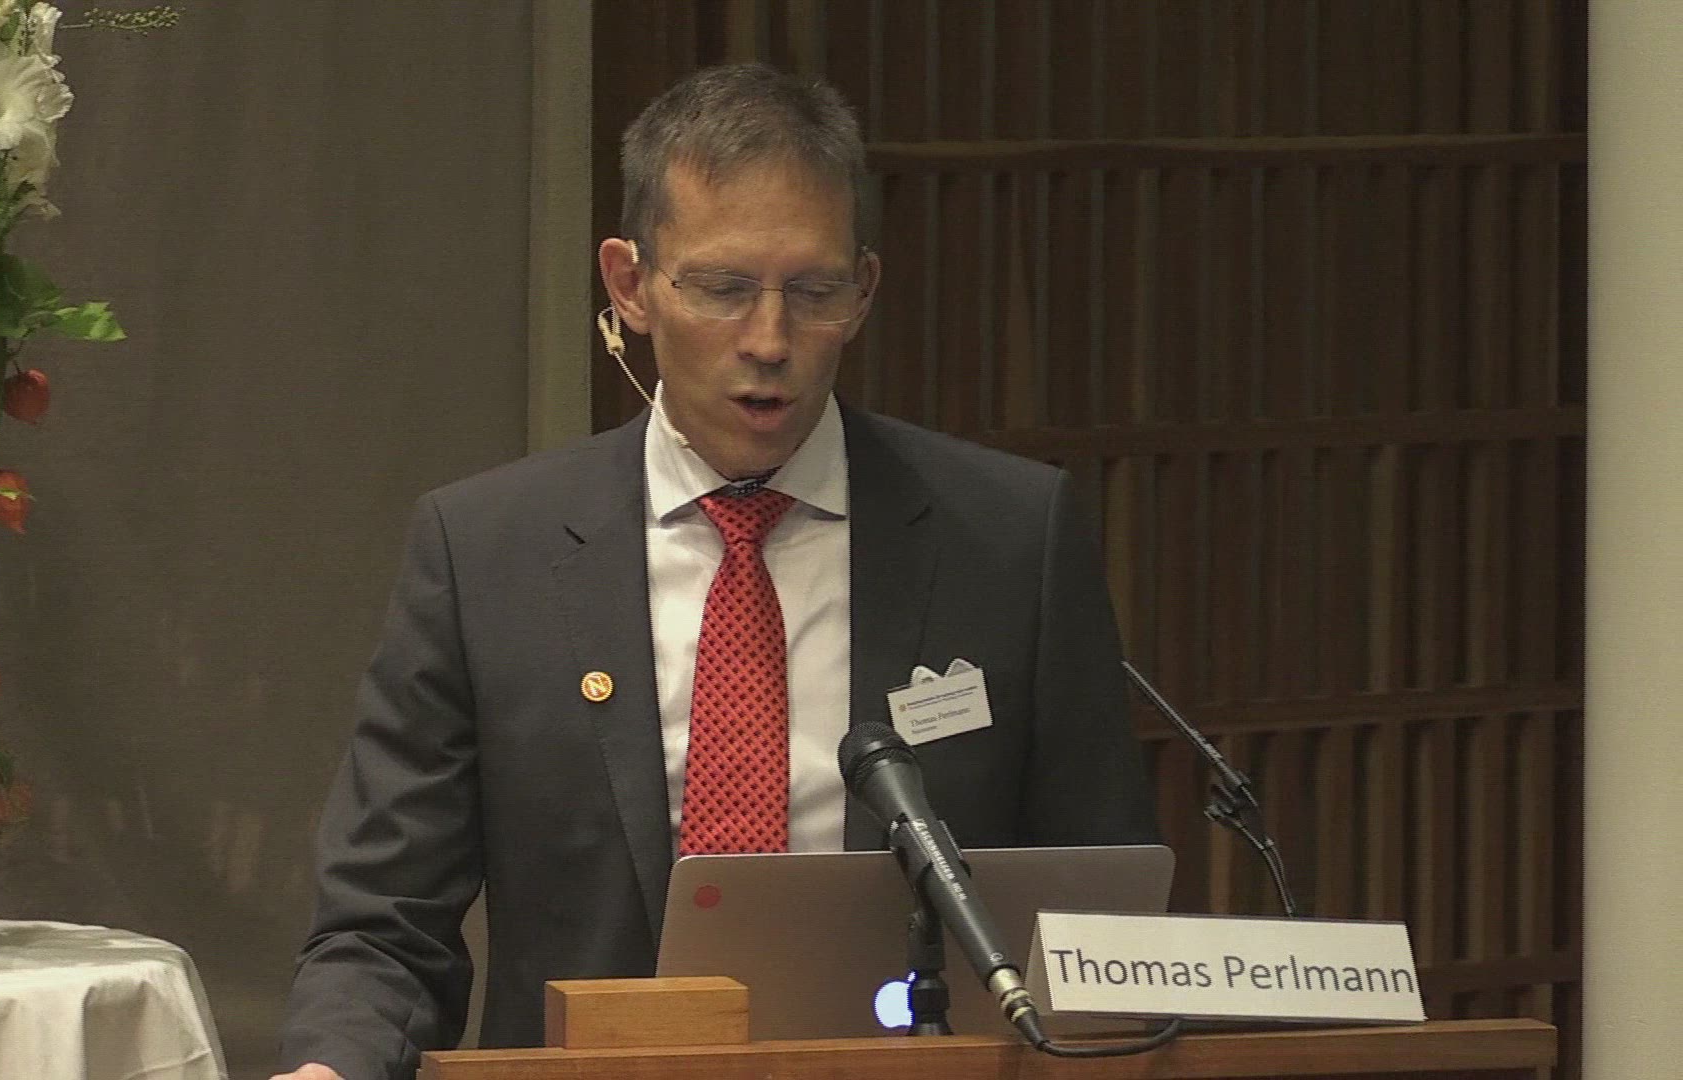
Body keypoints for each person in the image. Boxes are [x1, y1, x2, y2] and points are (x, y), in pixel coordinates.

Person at [275, 61, 1159, 1080]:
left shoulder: (1008, 539)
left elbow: (1102, 917)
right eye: (724, 289)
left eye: (813, 292)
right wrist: (334, 1066)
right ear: (630, 285)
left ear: (864, 291)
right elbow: (384, 926)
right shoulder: (485, 554)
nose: (769, 341)